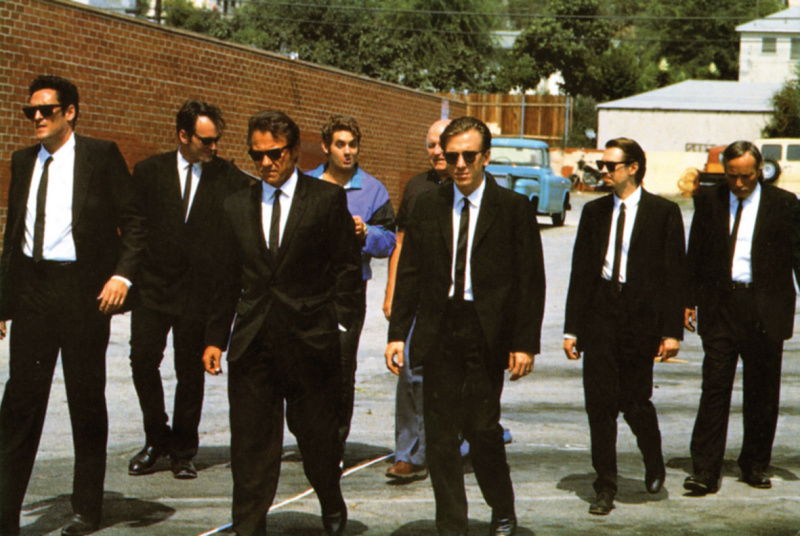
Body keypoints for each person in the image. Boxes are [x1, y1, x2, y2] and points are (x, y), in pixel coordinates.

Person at [202, 111, 361, 536]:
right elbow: (224, 279)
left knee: (317, 439)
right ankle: (249, 526)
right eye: (257, 155)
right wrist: (215, 338)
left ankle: (330, 497)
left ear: (292, 151)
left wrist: (340, 326)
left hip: (310, 341)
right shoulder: (236, 205)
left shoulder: (326, 200)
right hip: (254, 342)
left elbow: (347, 270)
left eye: (274, 153)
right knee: (250, 445)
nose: (266, 163)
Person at [386, 116, 545, 536]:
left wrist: (524, 343)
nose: (459, 164)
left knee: (482, 428)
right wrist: (398, 334)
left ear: (485, 157)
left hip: (485, 332)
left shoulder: (512, 209)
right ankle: (451, 524)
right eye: (452, 155)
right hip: (439, 329)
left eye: (468, 156)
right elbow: (410, 274)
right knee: (439, 435)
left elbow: (530, 281)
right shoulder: (427, 204)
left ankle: (502, 508)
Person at [0, 75, 143, 536]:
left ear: (70, 112)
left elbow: (135, 222)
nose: (37, 117)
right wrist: (3, 301)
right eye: (31, 111)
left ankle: (87, 508)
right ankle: (4, 515)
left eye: (46, 110)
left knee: (85, 399)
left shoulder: (100, 156)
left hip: (83, 293)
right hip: (33, 292)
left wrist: (121, 276)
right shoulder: (23, 161)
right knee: (18, 404)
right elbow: (14, 235)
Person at [126, 100, 251, 480]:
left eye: (216, 140)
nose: (213, 147)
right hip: (153, 289)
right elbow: (135, 227)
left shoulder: (229, 179)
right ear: (183, 135)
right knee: (142, 360)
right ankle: (155, 438)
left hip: (199, 294)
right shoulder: (149, 172)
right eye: (205, 141)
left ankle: (182, 450)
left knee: (190, 372)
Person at [563, 137, 686, 516]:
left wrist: (671, 332)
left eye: (610, 166)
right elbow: (581, 273)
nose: (603, 171)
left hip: (640, 320)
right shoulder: (594, 212)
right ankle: (605, 485)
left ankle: (653, 458)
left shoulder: (663, 212)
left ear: (633, 168)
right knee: (599, 406)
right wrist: (572, 329)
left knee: (634, 402)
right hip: (600, 315)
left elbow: (675, 278)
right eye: (601, 165)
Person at [683, 140, 800, 495]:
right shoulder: (709, 200)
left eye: (746, 176)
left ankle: (754, 464)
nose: (738, 183)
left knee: (762, 392)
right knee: (715, 387)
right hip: (721, 307)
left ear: (760, 171)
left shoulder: (785, 204)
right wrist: (688, 301)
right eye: (732, 176)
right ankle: (705, 471)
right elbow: (695, 253)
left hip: (766, 309)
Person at [306, 115, 395, 450]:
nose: (347, 152)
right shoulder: (305, 183)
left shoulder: (374, 189)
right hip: (307, 290)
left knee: (342, 367)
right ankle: (310, 436)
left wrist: (365, 233)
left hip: (348, 291)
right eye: (340, 144)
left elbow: (389, 242)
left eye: (353, 145)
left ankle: (335, 443)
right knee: (307, 366)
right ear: (325, 147)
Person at [382, 118, 450, 482]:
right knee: (410, 370)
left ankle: (456, 444)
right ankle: (409, 453)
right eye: (431, 145)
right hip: (420, 299)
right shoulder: (416, 187)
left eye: (443, 144)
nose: (437, 152)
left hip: (458, 299)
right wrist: (392, 293)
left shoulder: (474, 186)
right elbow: (401, 243)